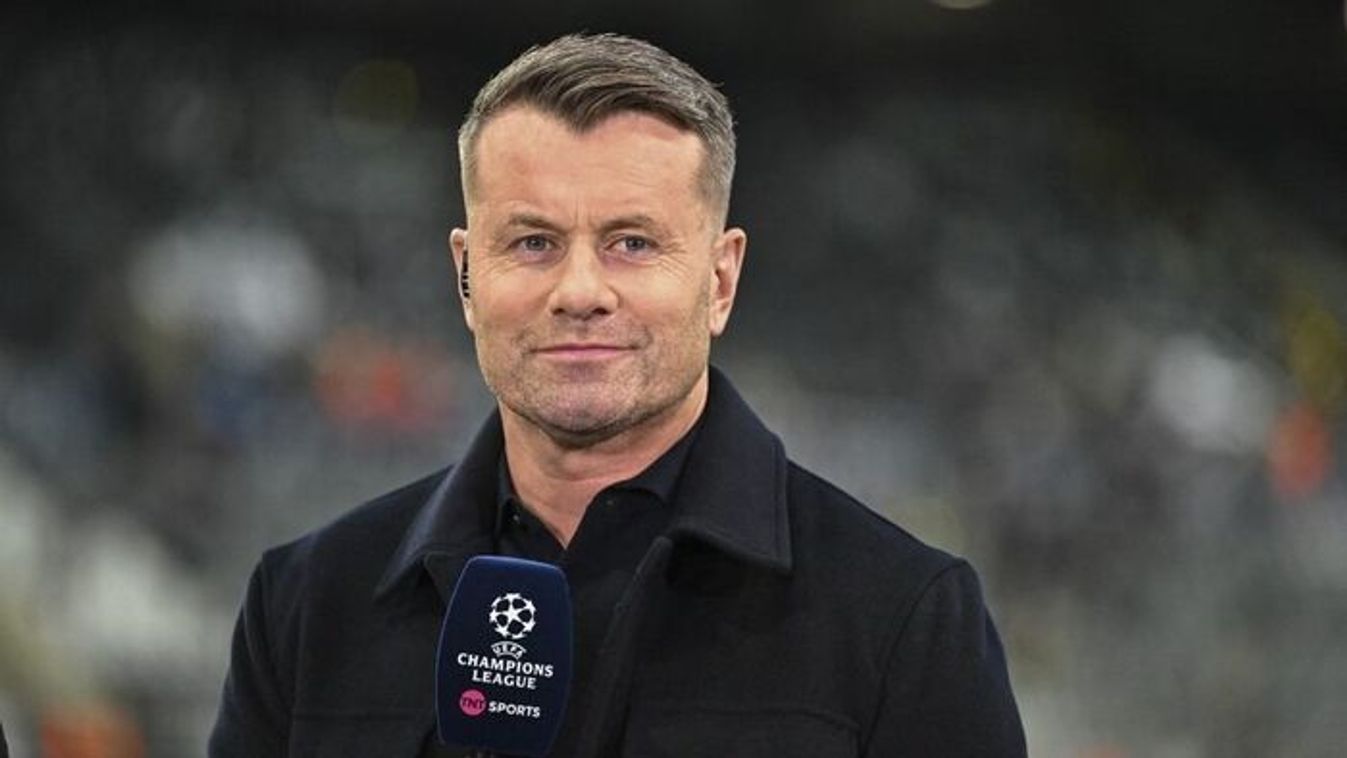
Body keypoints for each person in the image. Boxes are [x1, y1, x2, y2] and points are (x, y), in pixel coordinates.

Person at [210, 33, 1026, 757]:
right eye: (533, 242)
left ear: (719, 280)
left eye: (631, 243)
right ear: (465, 276)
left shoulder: (903, 615)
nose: (579, 291)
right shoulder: (305, 604)